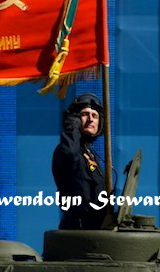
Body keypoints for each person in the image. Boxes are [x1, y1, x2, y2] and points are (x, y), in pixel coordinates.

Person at [52, 93, 106, 230]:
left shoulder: (91, 155)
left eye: (95, 116)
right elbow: (70, 154)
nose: (90, 119)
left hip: (97, 226)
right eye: (84, 114)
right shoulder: (67, 149)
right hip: (78, 227)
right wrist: (72, 125)